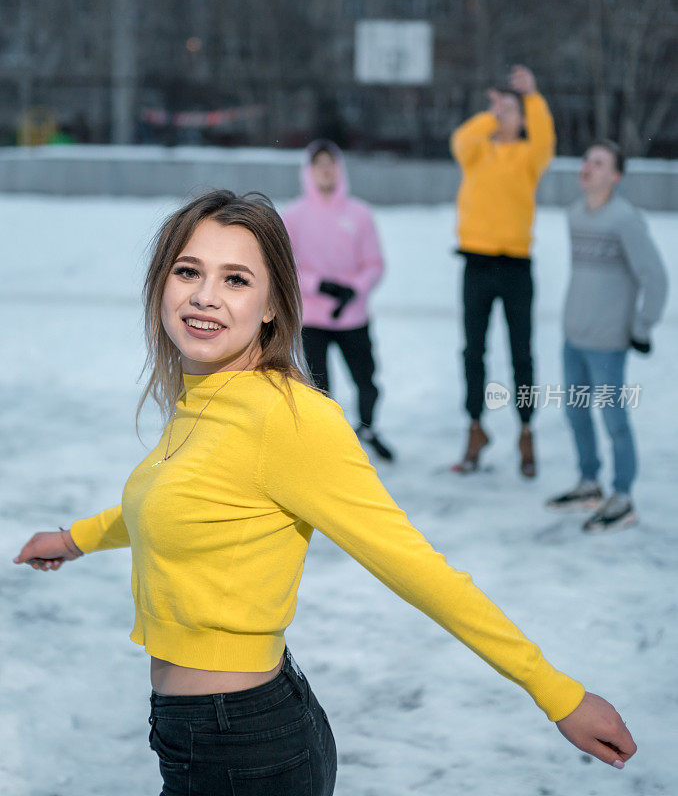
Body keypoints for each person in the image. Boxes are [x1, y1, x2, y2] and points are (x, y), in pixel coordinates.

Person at [13, 191, 636, 795]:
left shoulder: (289, 420)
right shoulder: (203, 399)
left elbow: (415, 567)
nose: (204, 296)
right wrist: (74, 539)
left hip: (247, 749)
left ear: (272, 306)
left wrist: (556, 691)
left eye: (236, 279)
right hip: (200, 737)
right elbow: (171, 503)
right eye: (188, 270)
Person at [546, 141, 668, 532]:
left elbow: (656, 278)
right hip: (574, 336)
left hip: (609, 342)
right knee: (575, 412)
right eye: (585, 159)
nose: (587, 167)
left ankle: (623, 497)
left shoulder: (625, 219)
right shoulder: (575, 214)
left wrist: (642, 326)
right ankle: (589, 484)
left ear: (615, 176)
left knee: (614, 419)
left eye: (598, 163)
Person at [450, 65, 555, 477]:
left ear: (523, 117)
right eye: (499, 109)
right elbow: (460, 139)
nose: (502, 115)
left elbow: (546, 136)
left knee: (521, 354)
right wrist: (491, 114)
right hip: (475, 263)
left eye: (510, 110)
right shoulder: (477, 152)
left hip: (515, 266)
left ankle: (526, 431)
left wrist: (530, 96)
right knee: (473, 351)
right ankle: (475, 427)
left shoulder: (530, 157)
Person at [283, 139, 394, 461]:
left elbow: (375, 264)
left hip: (353, 317)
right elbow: (286, 266)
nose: (326, 171)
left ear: (339, 169)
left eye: (331, 164)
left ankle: (368, 429)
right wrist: (320, 284)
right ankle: (326, 446)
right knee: (318, 388)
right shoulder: (294, 215)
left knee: (367, 381)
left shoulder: (359, 214)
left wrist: (354, 288)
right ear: (309, 171)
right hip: (313, 319)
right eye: (319, 165)